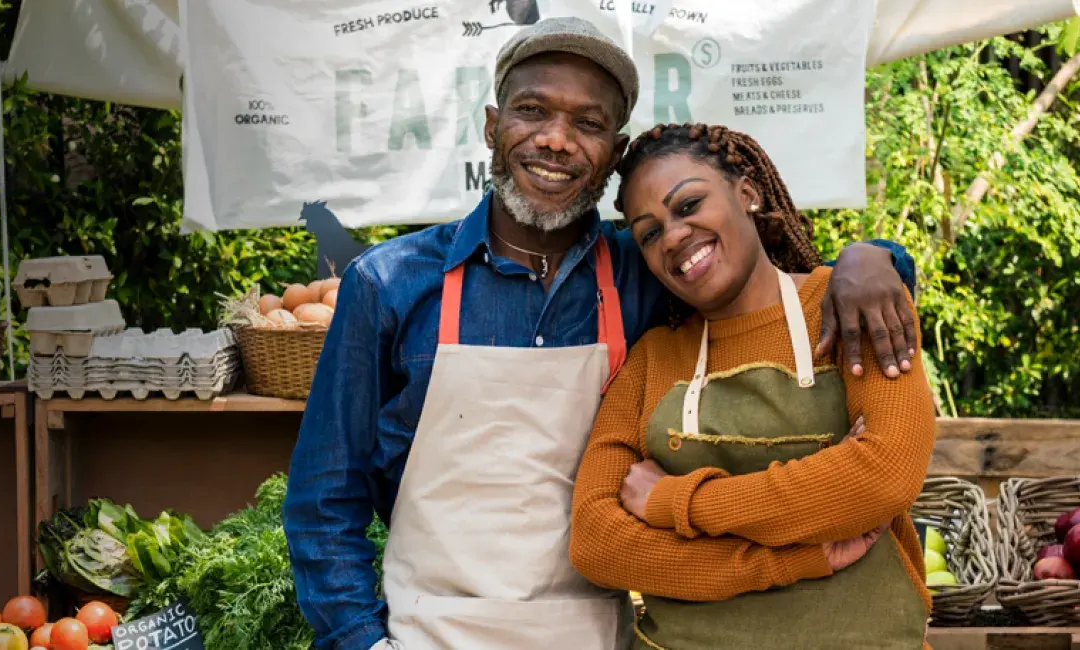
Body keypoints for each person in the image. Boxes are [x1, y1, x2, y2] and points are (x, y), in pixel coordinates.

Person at [282, 17, 922, 650]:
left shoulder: (644, 272)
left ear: (612, 157)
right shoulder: (391, 284)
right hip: (425, 631)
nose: (556, 141)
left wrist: (872, 259)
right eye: (532, 110)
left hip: (592, 635)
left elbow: (757, 274)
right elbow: (323, 499)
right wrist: (362, 642)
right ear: (491, 126)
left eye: (588, 123)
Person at [567, 123, 936, 650]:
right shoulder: (652, 358)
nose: (673, 236)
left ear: (748, 193)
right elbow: (598, 543)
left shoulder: (853, 305)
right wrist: (785, 559)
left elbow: (882, 476)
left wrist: (674, 503)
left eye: (689, 204)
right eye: (649, 232)